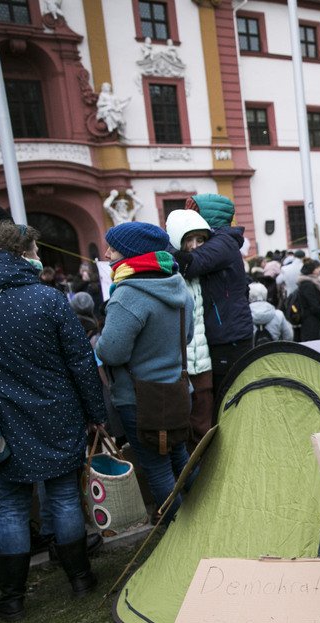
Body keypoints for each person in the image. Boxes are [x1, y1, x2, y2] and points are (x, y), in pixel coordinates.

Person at [0, 223, 104, 620]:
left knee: (13, 509)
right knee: (65, 497)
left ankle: (13, 598)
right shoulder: (47, 299)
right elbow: (81, 362)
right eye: (36, 249)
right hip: (55, 412)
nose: (39, 256)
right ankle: (80, 579)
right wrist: (95, 414)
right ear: (23, 253)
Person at [95, 221, 194, 524]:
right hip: (176, 391)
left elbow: (111, 352)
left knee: (157, 467)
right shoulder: (178, 284)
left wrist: (99, 340)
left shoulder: (128, 294)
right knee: (180, 457)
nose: (108, 252)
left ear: (131, 252)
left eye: (113, 246)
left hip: (140, 399)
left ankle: (178, 533)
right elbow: (187, 336)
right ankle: (204, 519)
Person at [171, 195, 250, 402]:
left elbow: (189, 264)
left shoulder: (223, 242)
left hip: (229, 336)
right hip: (225, 332)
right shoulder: (220, 241)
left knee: (228, 397)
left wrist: (165, 244)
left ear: (206, 217)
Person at [164, 209, 214, 441]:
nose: (195, 246)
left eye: (200, 239)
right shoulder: (169, 274)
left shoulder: (206, 270)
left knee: (205, 424)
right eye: (189, 240)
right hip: (178, 365)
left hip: (203, 363)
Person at [295, 259, 320, 341]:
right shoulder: (308, 284)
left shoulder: (314, 282)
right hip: (311, 320)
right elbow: (313, 304)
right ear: (311, 270)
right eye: (317, 268)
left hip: (313, 318)